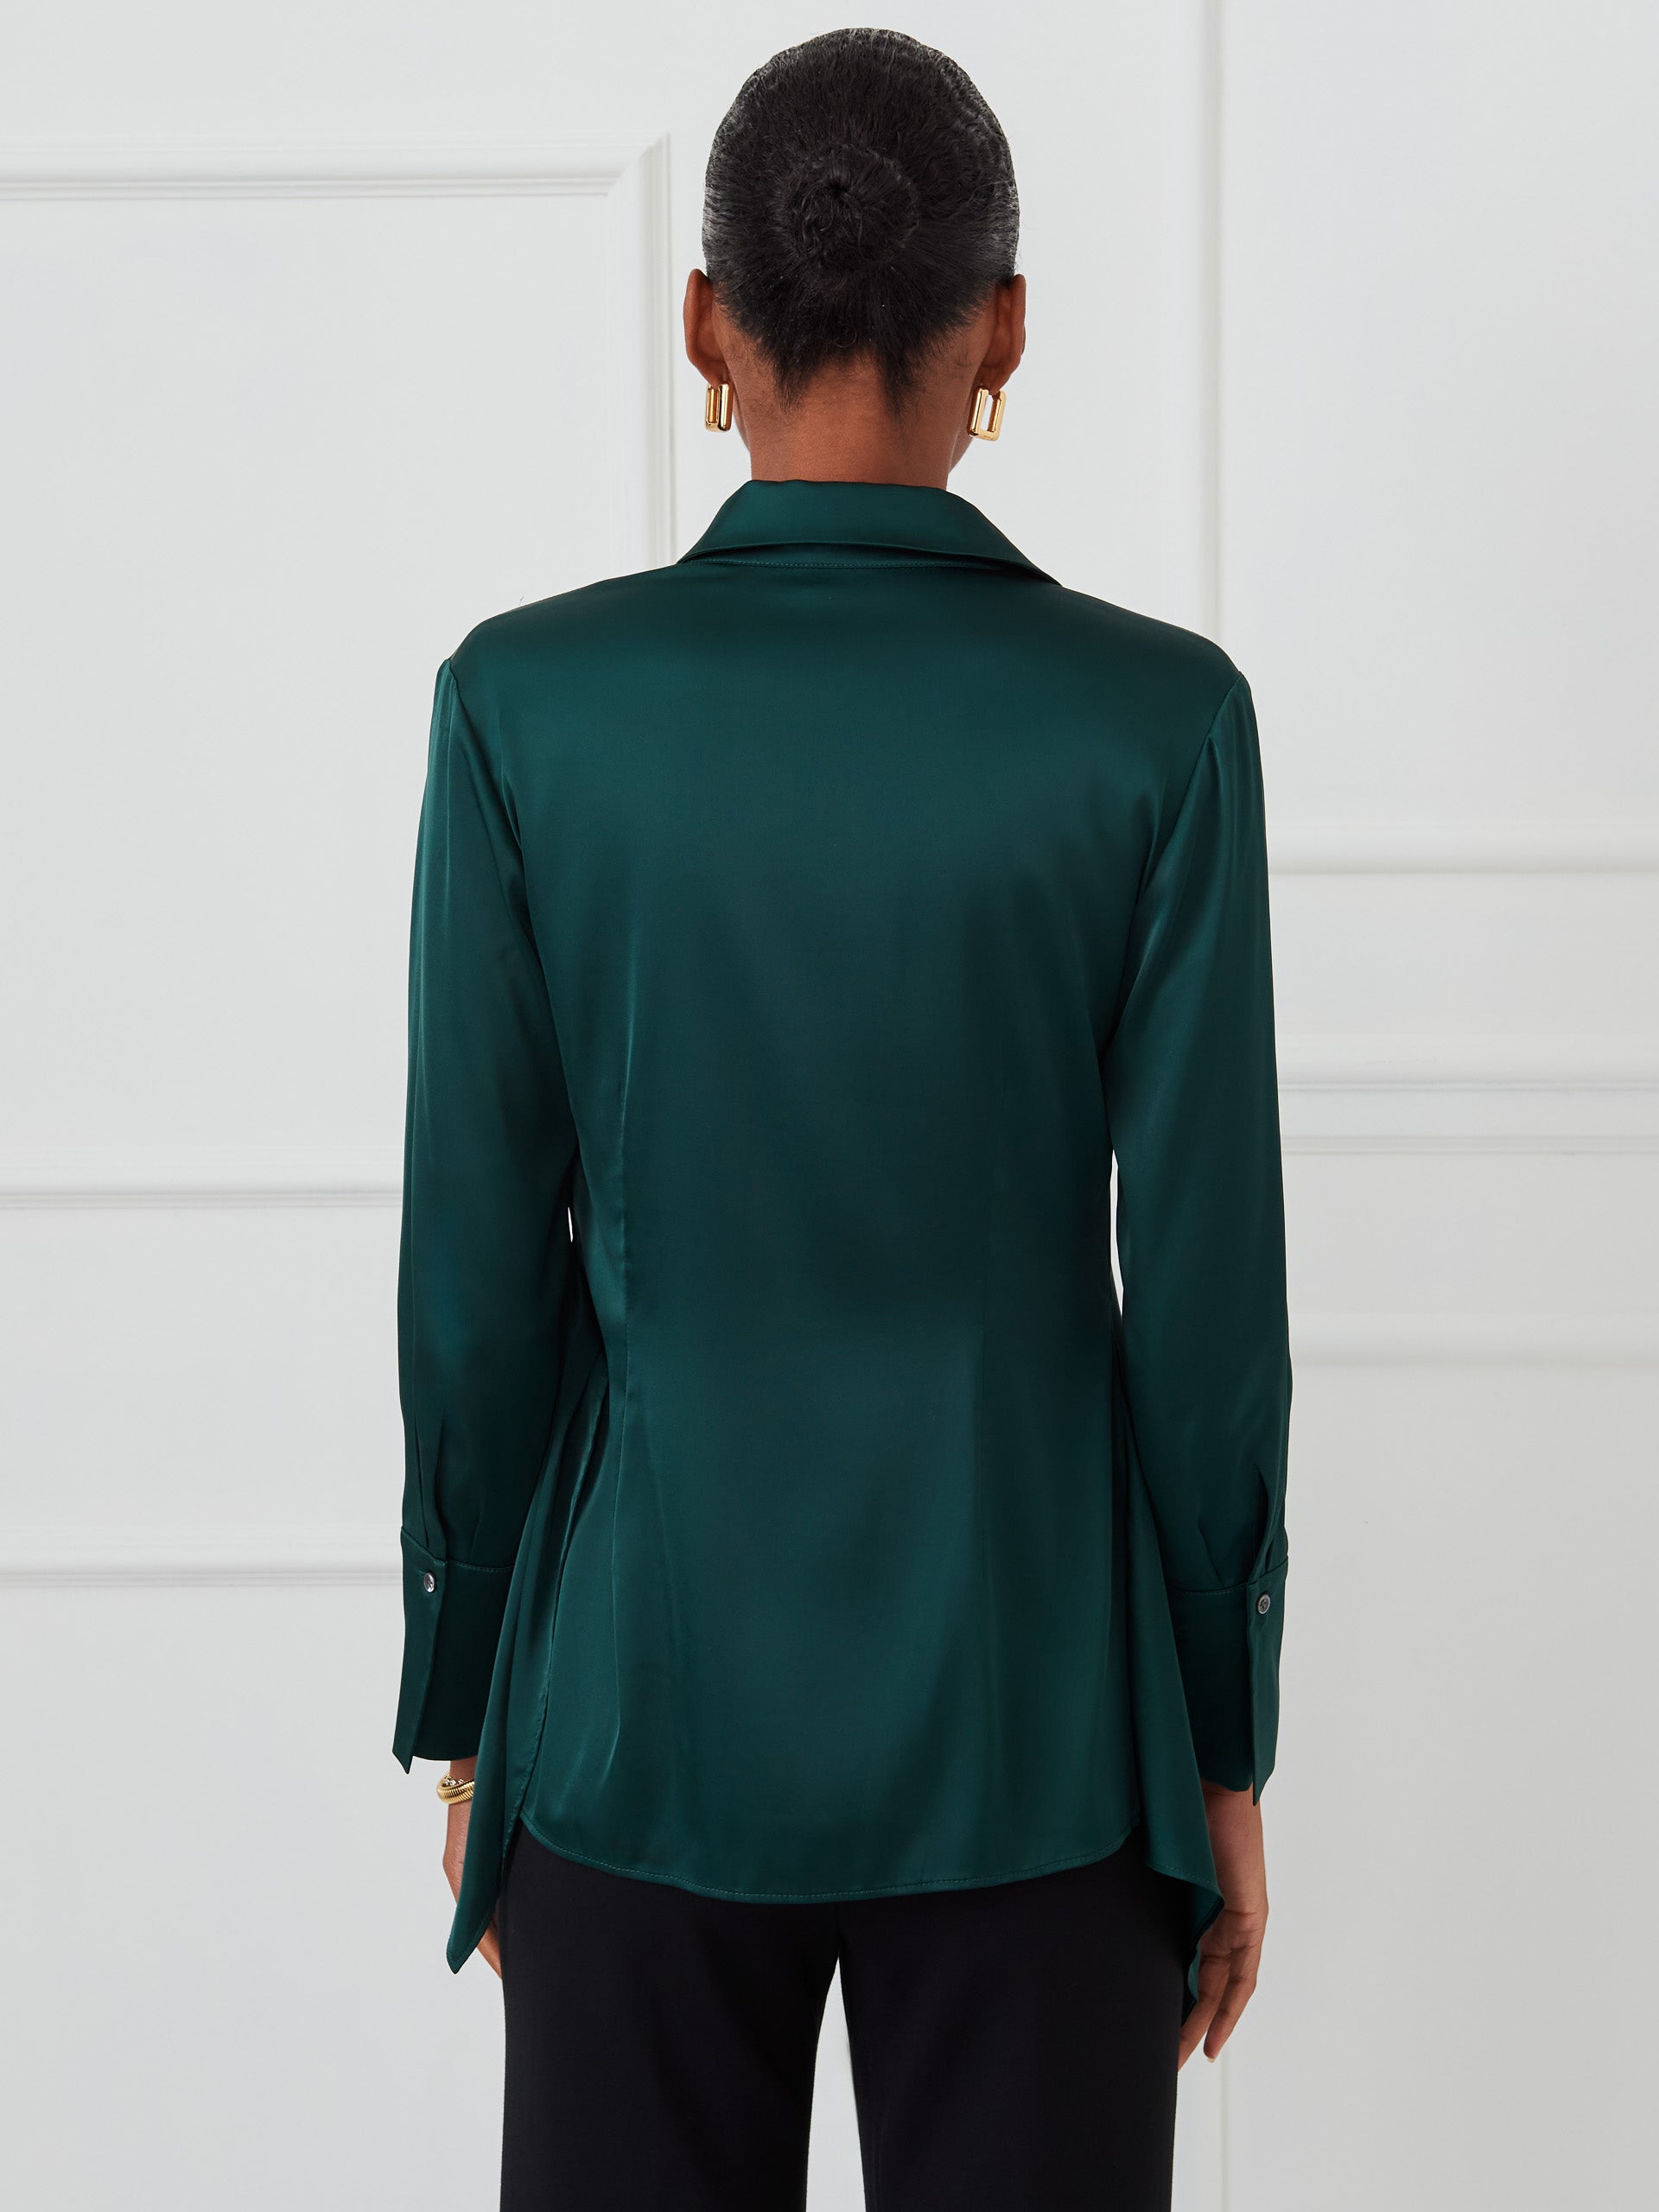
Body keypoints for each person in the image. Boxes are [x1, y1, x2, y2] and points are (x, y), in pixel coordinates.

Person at [392, 28, 1291, 2210]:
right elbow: (1206, 1308)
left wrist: (469, 1689)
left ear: (708, 322)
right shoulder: (1159, 724)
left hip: (629, 1712)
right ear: (1004, 328)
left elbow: (476, 1273)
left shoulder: (525, 707)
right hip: (1044, 1730)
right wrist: (1223, 1741)